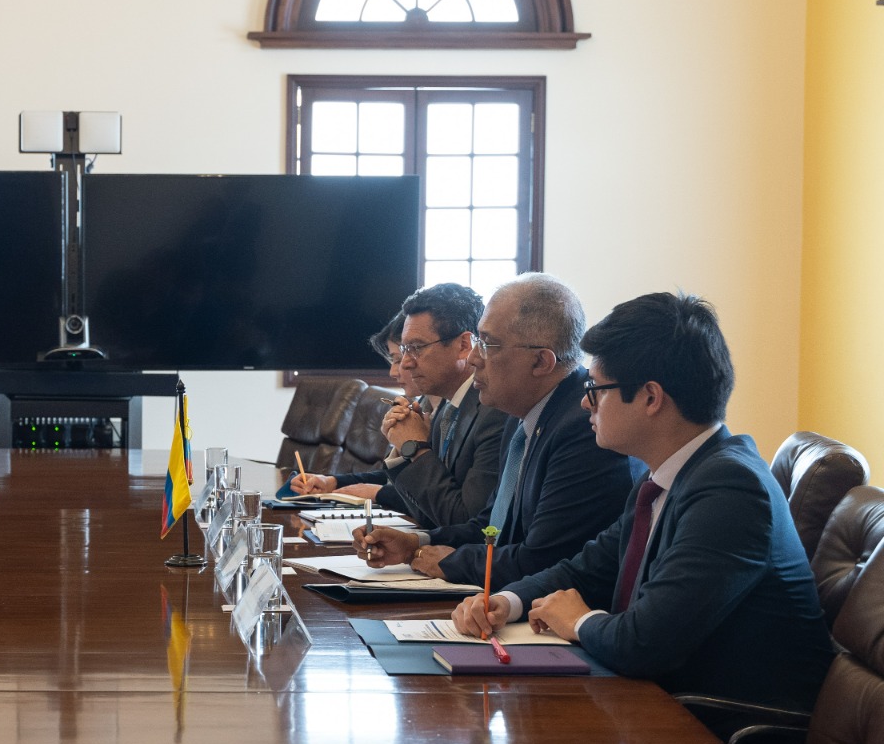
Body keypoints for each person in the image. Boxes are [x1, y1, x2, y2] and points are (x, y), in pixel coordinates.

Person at [453, 291, 833, 720]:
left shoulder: (731, 490)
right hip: (659, 710)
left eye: (595, 389)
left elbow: (643, 644)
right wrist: (507, 601)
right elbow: (589, 566)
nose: (584, 403)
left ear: (651, 398)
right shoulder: (669, 476)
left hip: (727, 741)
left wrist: (577, 620)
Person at [360, 273, 635, 584]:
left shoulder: (583, 429)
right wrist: (418, 542)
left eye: (488, 343)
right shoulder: (522, 415)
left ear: (541, 362)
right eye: (479, 341)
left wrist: (452, 562)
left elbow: (542, 558)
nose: (475, 357)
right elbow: (490, 526)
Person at [291, 283, 506, 528]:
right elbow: (425, 505)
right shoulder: (447, 407)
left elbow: (463, 520)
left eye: (416, 348)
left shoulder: (493, 411)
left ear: (464, 346)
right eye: (404, 350)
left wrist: (413, 449)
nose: (405, 363)